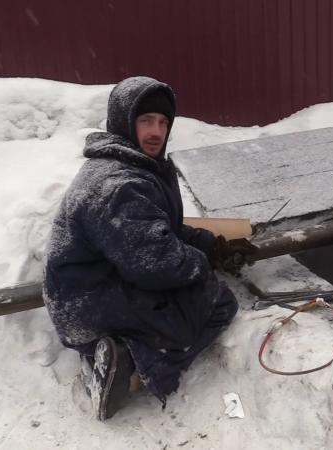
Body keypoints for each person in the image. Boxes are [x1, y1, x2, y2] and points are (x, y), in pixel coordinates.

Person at [43, 76, 248, 420]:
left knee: (190, 293)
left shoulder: (130, 165)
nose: (156, 131)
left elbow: (162, 230)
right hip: (87, 304)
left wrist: (214, 246)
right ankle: (130, 372)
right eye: (146, 120)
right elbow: (157, 264)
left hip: (87, 291)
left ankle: (113, 352)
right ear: (124, 121)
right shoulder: (119, 185)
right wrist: (204, 263)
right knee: (216, 302)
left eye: (163, 122)